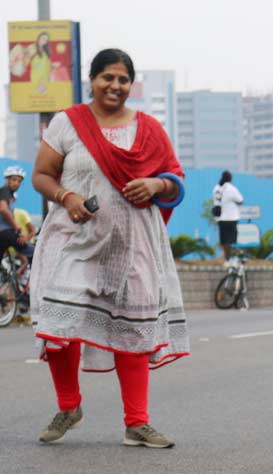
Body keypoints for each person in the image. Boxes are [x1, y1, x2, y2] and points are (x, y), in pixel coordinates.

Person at [29, 48, 188, 448]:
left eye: (122, 79)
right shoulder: (68, 123)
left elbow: (175, 180)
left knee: (132, 328)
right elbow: (42, 175)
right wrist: (66, 197)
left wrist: (156, 185)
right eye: (107, 78)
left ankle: (137, 422)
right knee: (60, 320)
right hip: (74, 240)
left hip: (132, 242)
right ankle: (69, 406)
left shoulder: (149, 129)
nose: (114, 86)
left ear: (130, 85)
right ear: (92, 81)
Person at [0, 166, 30, 265]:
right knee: (32, 251)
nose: (16, 183)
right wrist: (16, 228)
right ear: (7, 180)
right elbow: (3, 210)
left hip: (4, 233)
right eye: (13, 179)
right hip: (5, 231)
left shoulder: (8, 194)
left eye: (19, 181)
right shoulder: (5, 190)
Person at [212, 170, 243, 261]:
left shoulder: (216, 188)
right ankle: (231, 258)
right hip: (232, 217)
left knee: (224, 240)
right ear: (230, 178)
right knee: (232, 240)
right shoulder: (231, 188)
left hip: (221, 218)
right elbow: (240, 200)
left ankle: (226, 258)